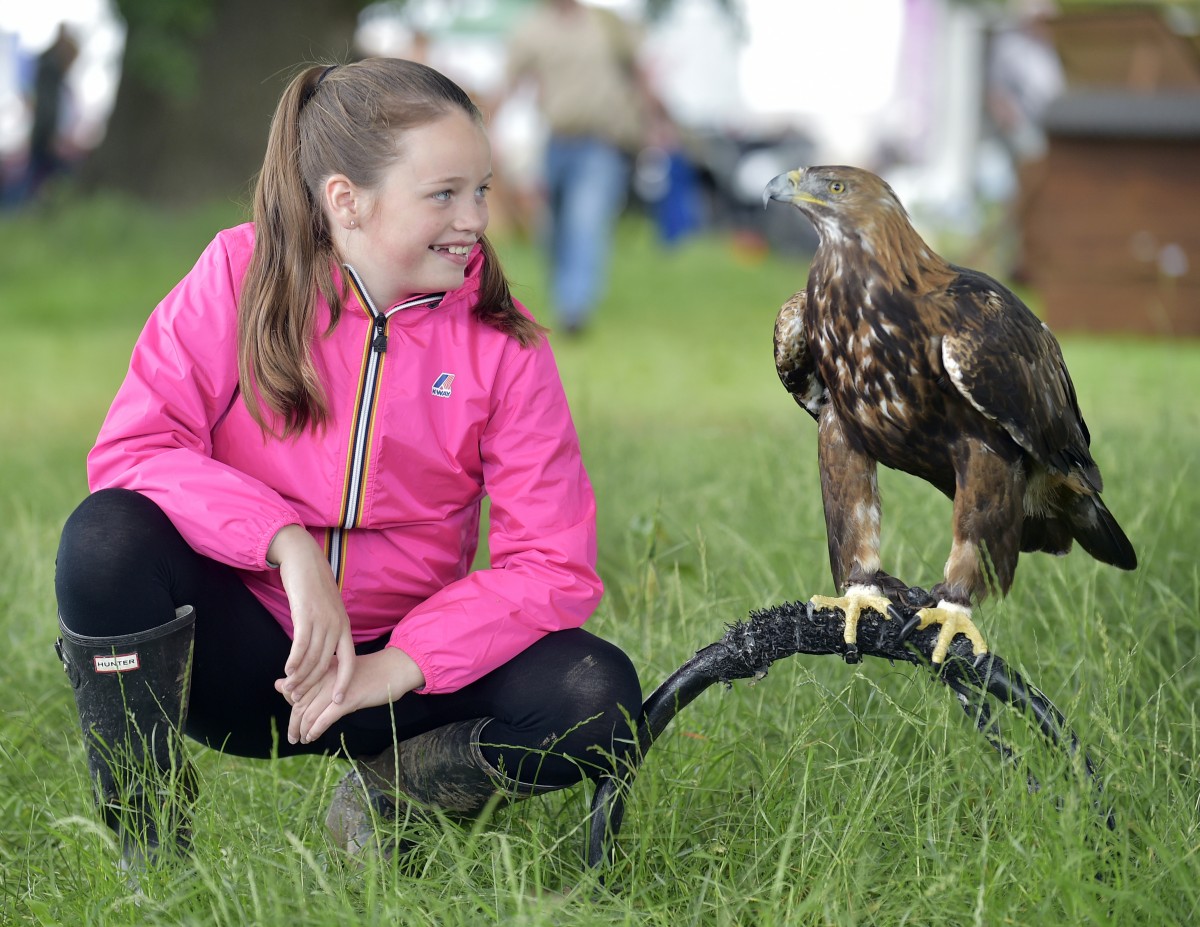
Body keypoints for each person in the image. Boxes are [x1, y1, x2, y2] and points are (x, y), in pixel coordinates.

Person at [53, 57, 642, 871]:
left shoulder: (507, 344)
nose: (474, 217)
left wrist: (401, 663)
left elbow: (552, 563)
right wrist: (283, 543)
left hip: (398, 682)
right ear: (345, 199)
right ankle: (150, 851)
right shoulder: (237, 275)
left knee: (598, 695)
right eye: (443, 194)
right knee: (105, 536)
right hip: (242, 659)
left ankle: (391, 792)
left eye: (481, 189)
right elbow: (134, 448)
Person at [501, 0, 654, 335]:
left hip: (603, 143)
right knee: (552, 229)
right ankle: (564, 295)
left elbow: (641, 75)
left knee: (585, 221)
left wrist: (652, 124)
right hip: (555, 143)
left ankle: (574, 308)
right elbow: (511, 82)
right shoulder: (532, 28)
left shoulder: (607, 24)